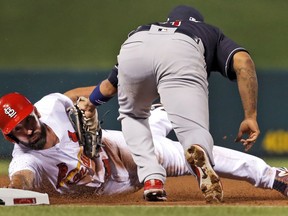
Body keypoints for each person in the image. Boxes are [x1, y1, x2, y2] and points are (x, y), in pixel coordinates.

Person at [66, 5, 260, 202]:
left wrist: (91, 103)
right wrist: (250, 116)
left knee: (133, 116)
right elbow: (243, 62)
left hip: (136, 45)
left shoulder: (146, 28)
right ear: (198, 22)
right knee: (192, 127)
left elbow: (108, 87)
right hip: (184, 49)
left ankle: (152, 179)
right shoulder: (208, 31)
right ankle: (198, 148)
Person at [1, 92, 286, 200]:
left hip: (121, 151)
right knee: (155, 134)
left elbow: (71, 96)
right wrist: (12, 190)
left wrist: (90, 102)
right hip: (115, 188)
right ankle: (160, 114)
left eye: (27, 119)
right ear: (10, 137)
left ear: (34, 111)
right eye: (19, 129)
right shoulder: (26, 160)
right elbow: (21, 179)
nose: (28, 128)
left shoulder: (50, 106)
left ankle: (274, 176)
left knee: (187, 155)